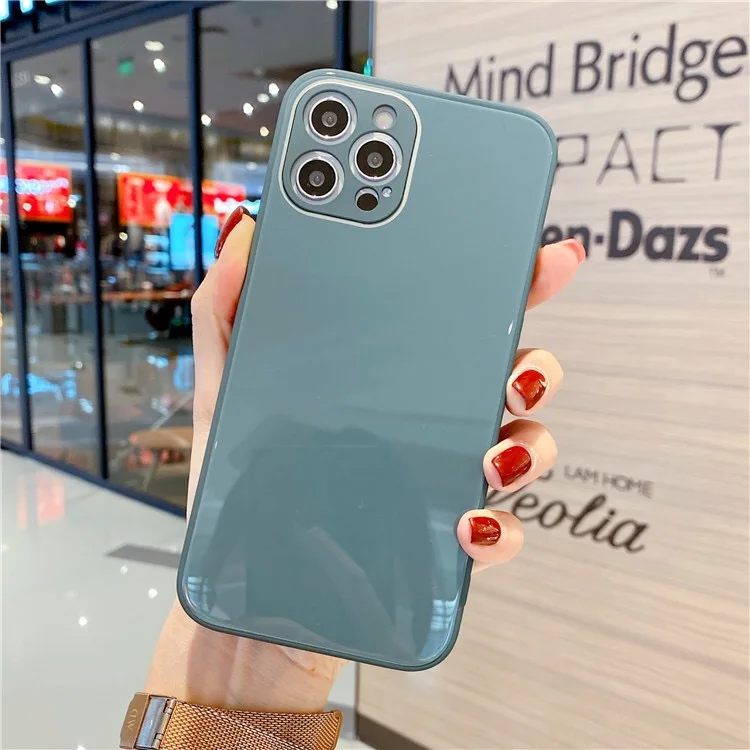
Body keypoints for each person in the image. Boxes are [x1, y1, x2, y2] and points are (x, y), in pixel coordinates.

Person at [138, 206, 584, 745]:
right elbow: (216, 574)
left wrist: (262, 682)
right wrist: (230, 669)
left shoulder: (297, 462)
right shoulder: (276, 459)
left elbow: (413, 603)